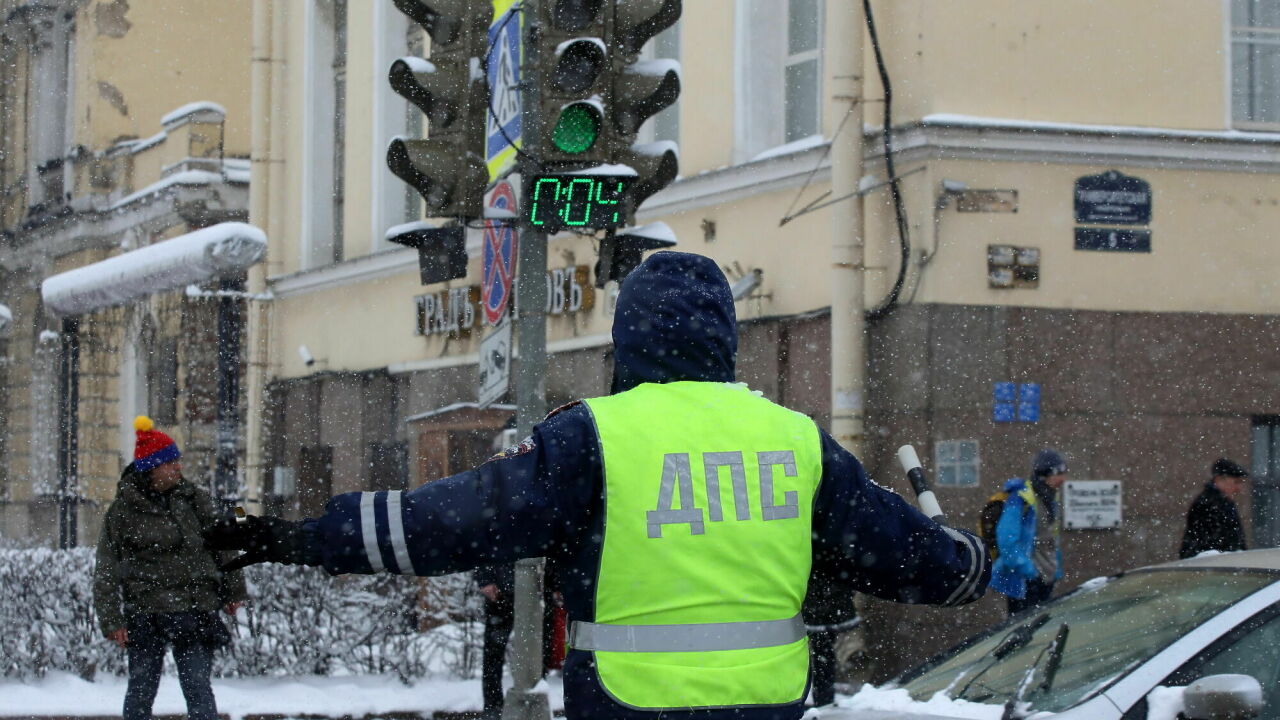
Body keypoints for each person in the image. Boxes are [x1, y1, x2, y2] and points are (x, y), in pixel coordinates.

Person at [205, 251, 989, 720]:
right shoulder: (792, 439)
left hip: (626, 702)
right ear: (725, 338)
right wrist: (963, 566)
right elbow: (903, 553)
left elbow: (453, 521)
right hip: (767, 702)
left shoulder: (593, 437)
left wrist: (301, 536)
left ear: (629, 339)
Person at [93, 416, 246, 720]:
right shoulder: (123, 510)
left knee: (198, 687)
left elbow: (224, 544)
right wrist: (112, 619)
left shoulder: (194, 499)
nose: (178, 468)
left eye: (178, 461)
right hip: (146, 611)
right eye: (171, 462)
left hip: (195, 608)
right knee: (141, 690)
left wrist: (234, 590)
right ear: (151, 468)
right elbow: (107, 566)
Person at [474, 561, 561, 720]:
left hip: (539, 591)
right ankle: (493, 708)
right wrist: (485, 579)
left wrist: (556, 584)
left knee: (540, 653)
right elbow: (483, 543)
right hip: (501, 593)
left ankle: (535, 701)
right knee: (493, 654)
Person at [989, 449, 1068, 615]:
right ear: (1045, 474)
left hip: (1046, 576)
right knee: (1021, 630)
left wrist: (1055, 569)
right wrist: (1028, 570)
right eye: (1059, 473)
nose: (1063, 479)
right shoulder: (1020, 498)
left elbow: (1050, 538)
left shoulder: (1051, 498)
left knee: (1040, 629)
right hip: (1026, 579)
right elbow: (1007, 539)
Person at [801, 575, 858, 708]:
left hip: (816, 600)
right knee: (824, 651)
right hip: (830, 599)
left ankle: (821, 698)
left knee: (821, 651)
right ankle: (824, 698)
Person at [1179, 458, 1249, 559]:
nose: (1238, 488)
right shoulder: (1207, 504)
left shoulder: (1221, 503)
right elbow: (1210, 544)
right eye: (1236, 482)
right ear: (1219, 479)